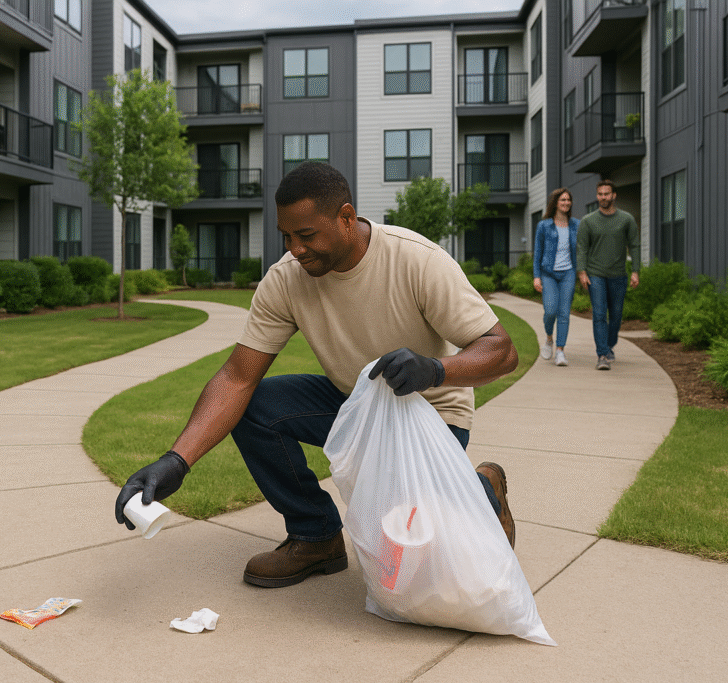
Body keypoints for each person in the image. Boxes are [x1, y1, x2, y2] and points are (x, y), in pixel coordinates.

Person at [115, 162, 520, 589]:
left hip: (429, 415)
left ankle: (478, 490)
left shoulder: (416, 260)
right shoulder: (286, 280)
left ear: (346, 218)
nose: (295, 249)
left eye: (306, 235)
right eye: (286, 236)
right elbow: (237, 377)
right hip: (353, 404)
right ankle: (315, 536)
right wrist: (176, 461)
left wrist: (435, 369)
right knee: (255, 405)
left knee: (420, 564)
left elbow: (502, 351)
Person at [576, 180, 640, 371]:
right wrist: (582, 272)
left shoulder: (626, 219)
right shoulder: (588, 221)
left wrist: (636, 270)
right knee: (599, 314)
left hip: (618, 275)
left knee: (617, 315)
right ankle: (602, 354)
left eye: (606, 194)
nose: (603, 197)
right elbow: (581, 248)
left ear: (614, 195)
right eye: (600, 194)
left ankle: (609, 345)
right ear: (597, 196)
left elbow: (635, 245)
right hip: (596, 275)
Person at [532, 188, 579, 367]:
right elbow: (538, 253)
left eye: (568, 200)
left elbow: (580, 251)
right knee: (550, 311)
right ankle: (549, 339)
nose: (566, 203)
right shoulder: (544, 225)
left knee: (564, 313)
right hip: (548, 273)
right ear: (555, 203)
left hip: (568, 273)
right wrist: (537, 276)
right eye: (562, 200)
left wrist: (581, 272)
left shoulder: (576, 225)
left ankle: (560, 351)